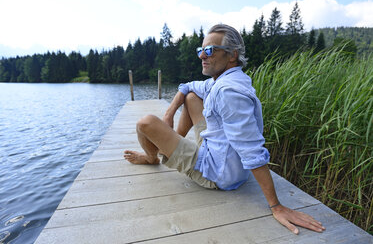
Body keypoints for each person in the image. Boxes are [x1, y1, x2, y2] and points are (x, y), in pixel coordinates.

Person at [124, 23, 325, 235]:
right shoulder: (227, 79)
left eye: (209, 50)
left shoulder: (229, 92)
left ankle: (152, 157)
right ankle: (170, 146)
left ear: (232, 55)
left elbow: (251, 150)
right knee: (192, 98)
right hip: (219, 152)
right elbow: (189, 86)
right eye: (200, 50)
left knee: (145, 123)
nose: (202, 55)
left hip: (217, 175)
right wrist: (169, 112)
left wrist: (276, 206)